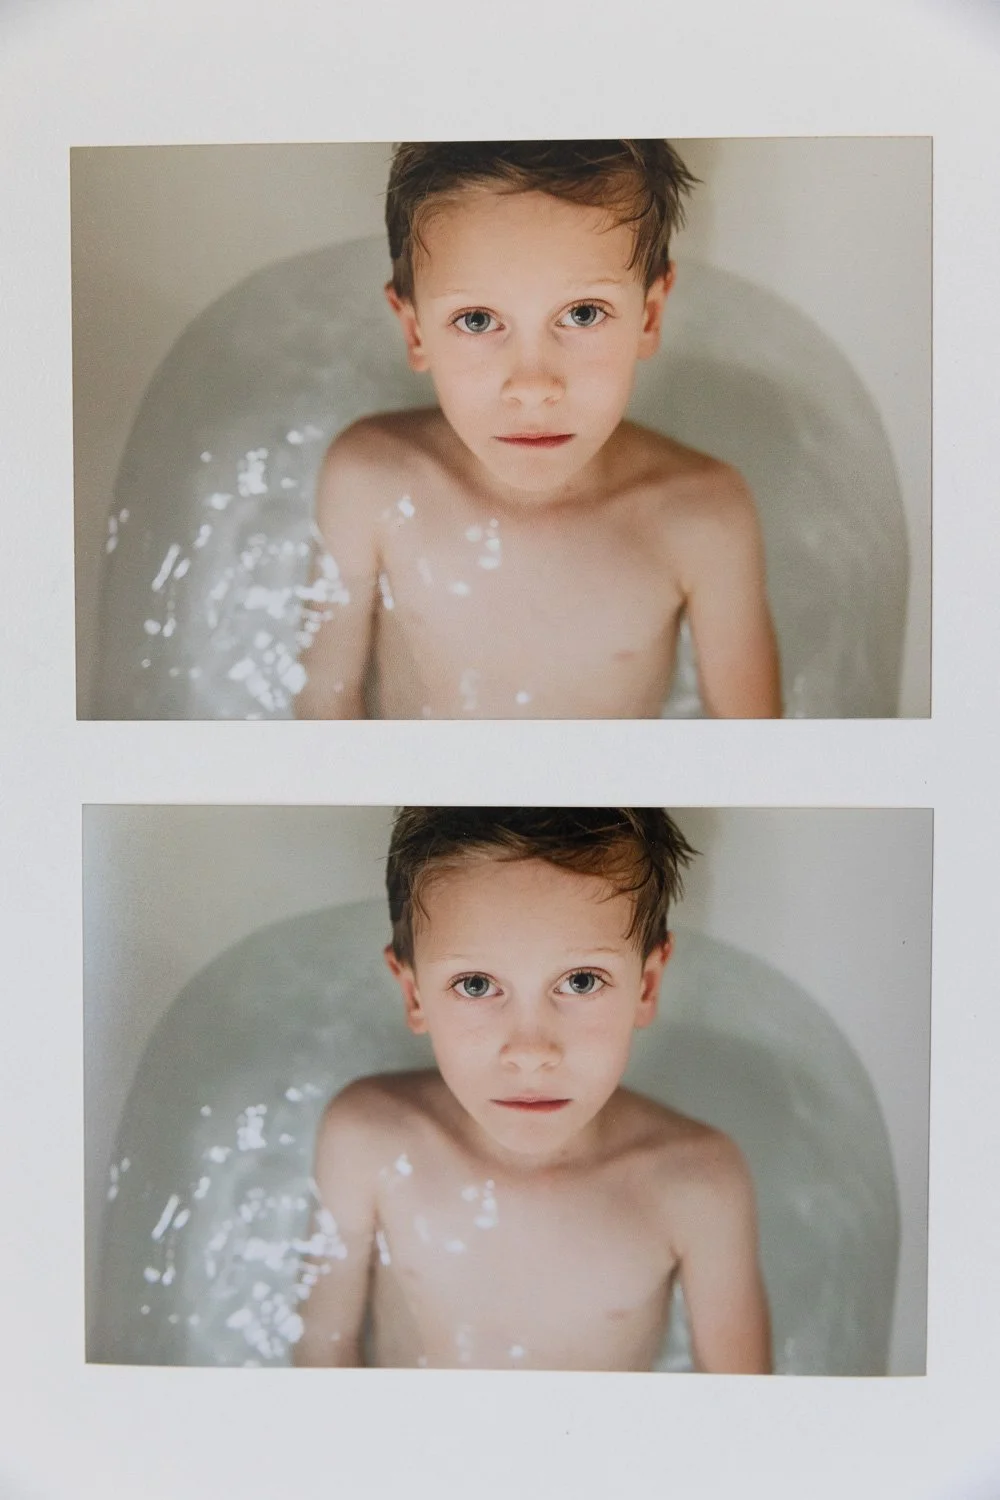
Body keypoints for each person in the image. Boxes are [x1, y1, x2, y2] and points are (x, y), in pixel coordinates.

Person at [293, 141, 781, 719]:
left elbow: (754, 757)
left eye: (582, 314)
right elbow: (325, 704)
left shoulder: (703, 517)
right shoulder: (370, 481)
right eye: (476, 320)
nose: (532, 385)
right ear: (415, 331)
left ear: (648, 317)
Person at [293, 807, 772, 1372]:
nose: (529, 1051)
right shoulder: (368, 1140)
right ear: (414, 995)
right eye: (476, 985)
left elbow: (743, 1418)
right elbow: (322, 1356)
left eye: (580, 981)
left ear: (646, 985)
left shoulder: (698, 1185)